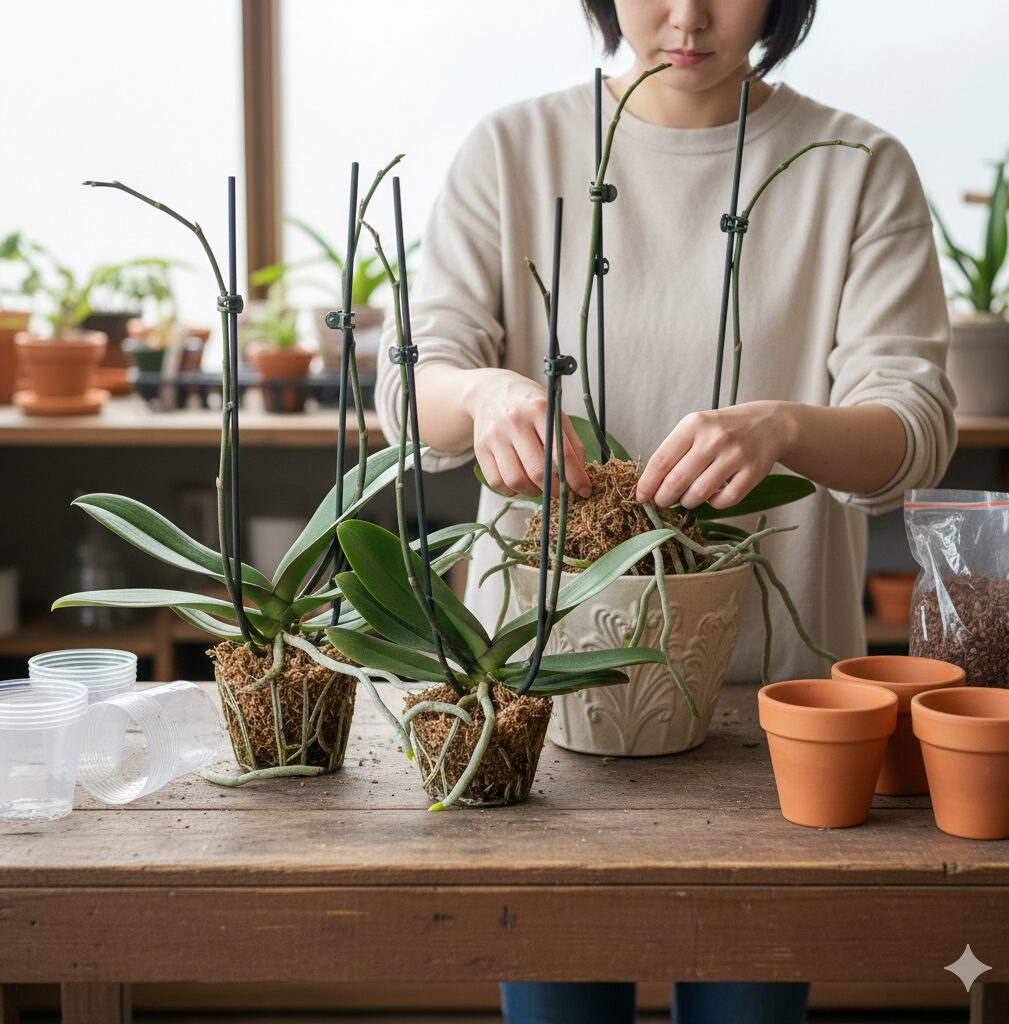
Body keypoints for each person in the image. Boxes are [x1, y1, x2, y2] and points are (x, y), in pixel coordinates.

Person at [376, 1, 955, 1021]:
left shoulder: (854, 165)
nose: (685, 16)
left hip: (770, 715)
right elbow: (408, 386)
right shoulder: (514, 150)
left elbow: (911, 429)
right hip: (539, 702)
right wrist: (486, 395)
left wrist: (782, 426)